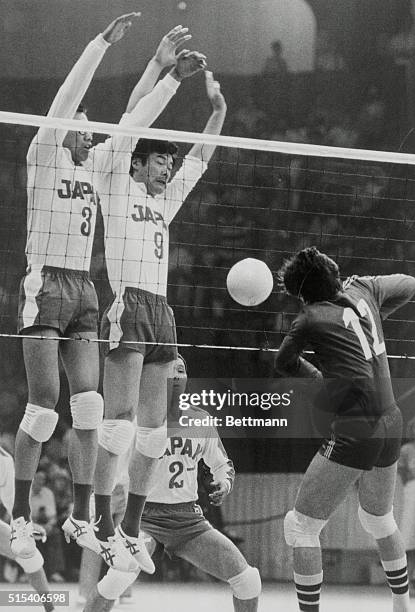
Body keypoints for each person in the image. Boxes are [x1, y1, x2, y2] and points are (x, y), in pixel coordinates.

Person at [12, 12, 197, 573]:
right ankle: (20, 517)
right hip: (46, 281)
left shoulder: (98, 169)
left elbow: (132, 122)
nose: (88, 130)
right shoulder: (43, 155)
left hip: (85, 291)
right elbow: (68, 101)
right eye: (81, 124)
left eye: (91, 127)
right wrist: (98, 45)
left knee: (90, 406)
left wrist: (165, 76)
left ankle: (83, 518)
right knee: (44, 408)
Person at [92, 67, 227, 575]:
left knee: (154, 431)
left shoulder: (164, 201)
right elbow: (129, 122)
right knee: (120, 421)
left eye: (169, 163)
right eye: (159, 162)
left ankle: (129, 529)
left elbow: (201, 160)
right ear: (138, 163)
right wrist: (165, 73)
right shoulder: (117, 187)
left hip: (162, 313)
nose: (168, 170)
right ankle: (99, 523)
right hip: (129, 304)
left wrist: (218, 113)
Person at [275, 246, 415, 612]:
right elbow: (410, 284)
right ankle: (402, 607)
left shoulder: (308, 318)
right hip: (391, 420)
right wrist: (374, 314)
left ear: (303, 295)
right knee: (377, 517)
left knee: (301, 526)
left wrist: (318, 376)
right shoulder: (365, 289)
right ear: (334, 274)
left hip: (358, 427)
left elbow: (284, 361)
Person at [83, 356, 261, 612]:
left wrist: (223, 483)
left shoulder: (200, 419)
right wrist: (93, 509)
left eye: (181, 369)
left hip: (187, 518)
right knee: (117, 578)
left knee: (248, 581)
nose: (176, 374)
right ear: (152, 377)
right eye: (169, 368)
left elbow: (223, 465)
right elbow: (107, 470)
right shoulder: (133, 420)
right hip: (142, 517)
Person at [0, 444, 55, 612]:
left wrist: (27, 525)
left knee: (29, 555)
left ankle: (51, 609)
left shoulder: (4, 461)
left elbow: (12, 503)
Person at [398, 415, 415, 594]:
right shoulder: (406, 449)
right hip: (412, 489)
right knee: (409, 536)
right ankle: (408, 580)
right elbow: (402, 471)